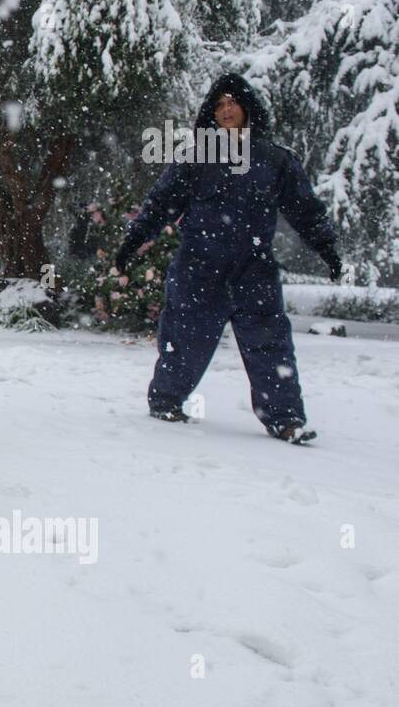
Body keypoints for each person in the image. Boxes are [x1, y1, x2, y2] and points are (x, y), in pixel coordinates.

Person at [113, 72, 343, 444]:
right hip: (198, 268)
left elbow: (306, 211)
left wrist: (328, 249)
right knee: (185, 339)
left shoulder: (275, 160)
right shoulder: (195, 159)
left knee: (271, 346)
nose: (226, 109)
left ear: (248, 107)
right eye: (219, 104)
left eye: (232, 102)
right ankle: (167, 401)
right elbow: (160, 205)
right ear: (211, 114)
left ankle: (285, 419)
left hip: (254, 271)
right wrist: (133, 243)